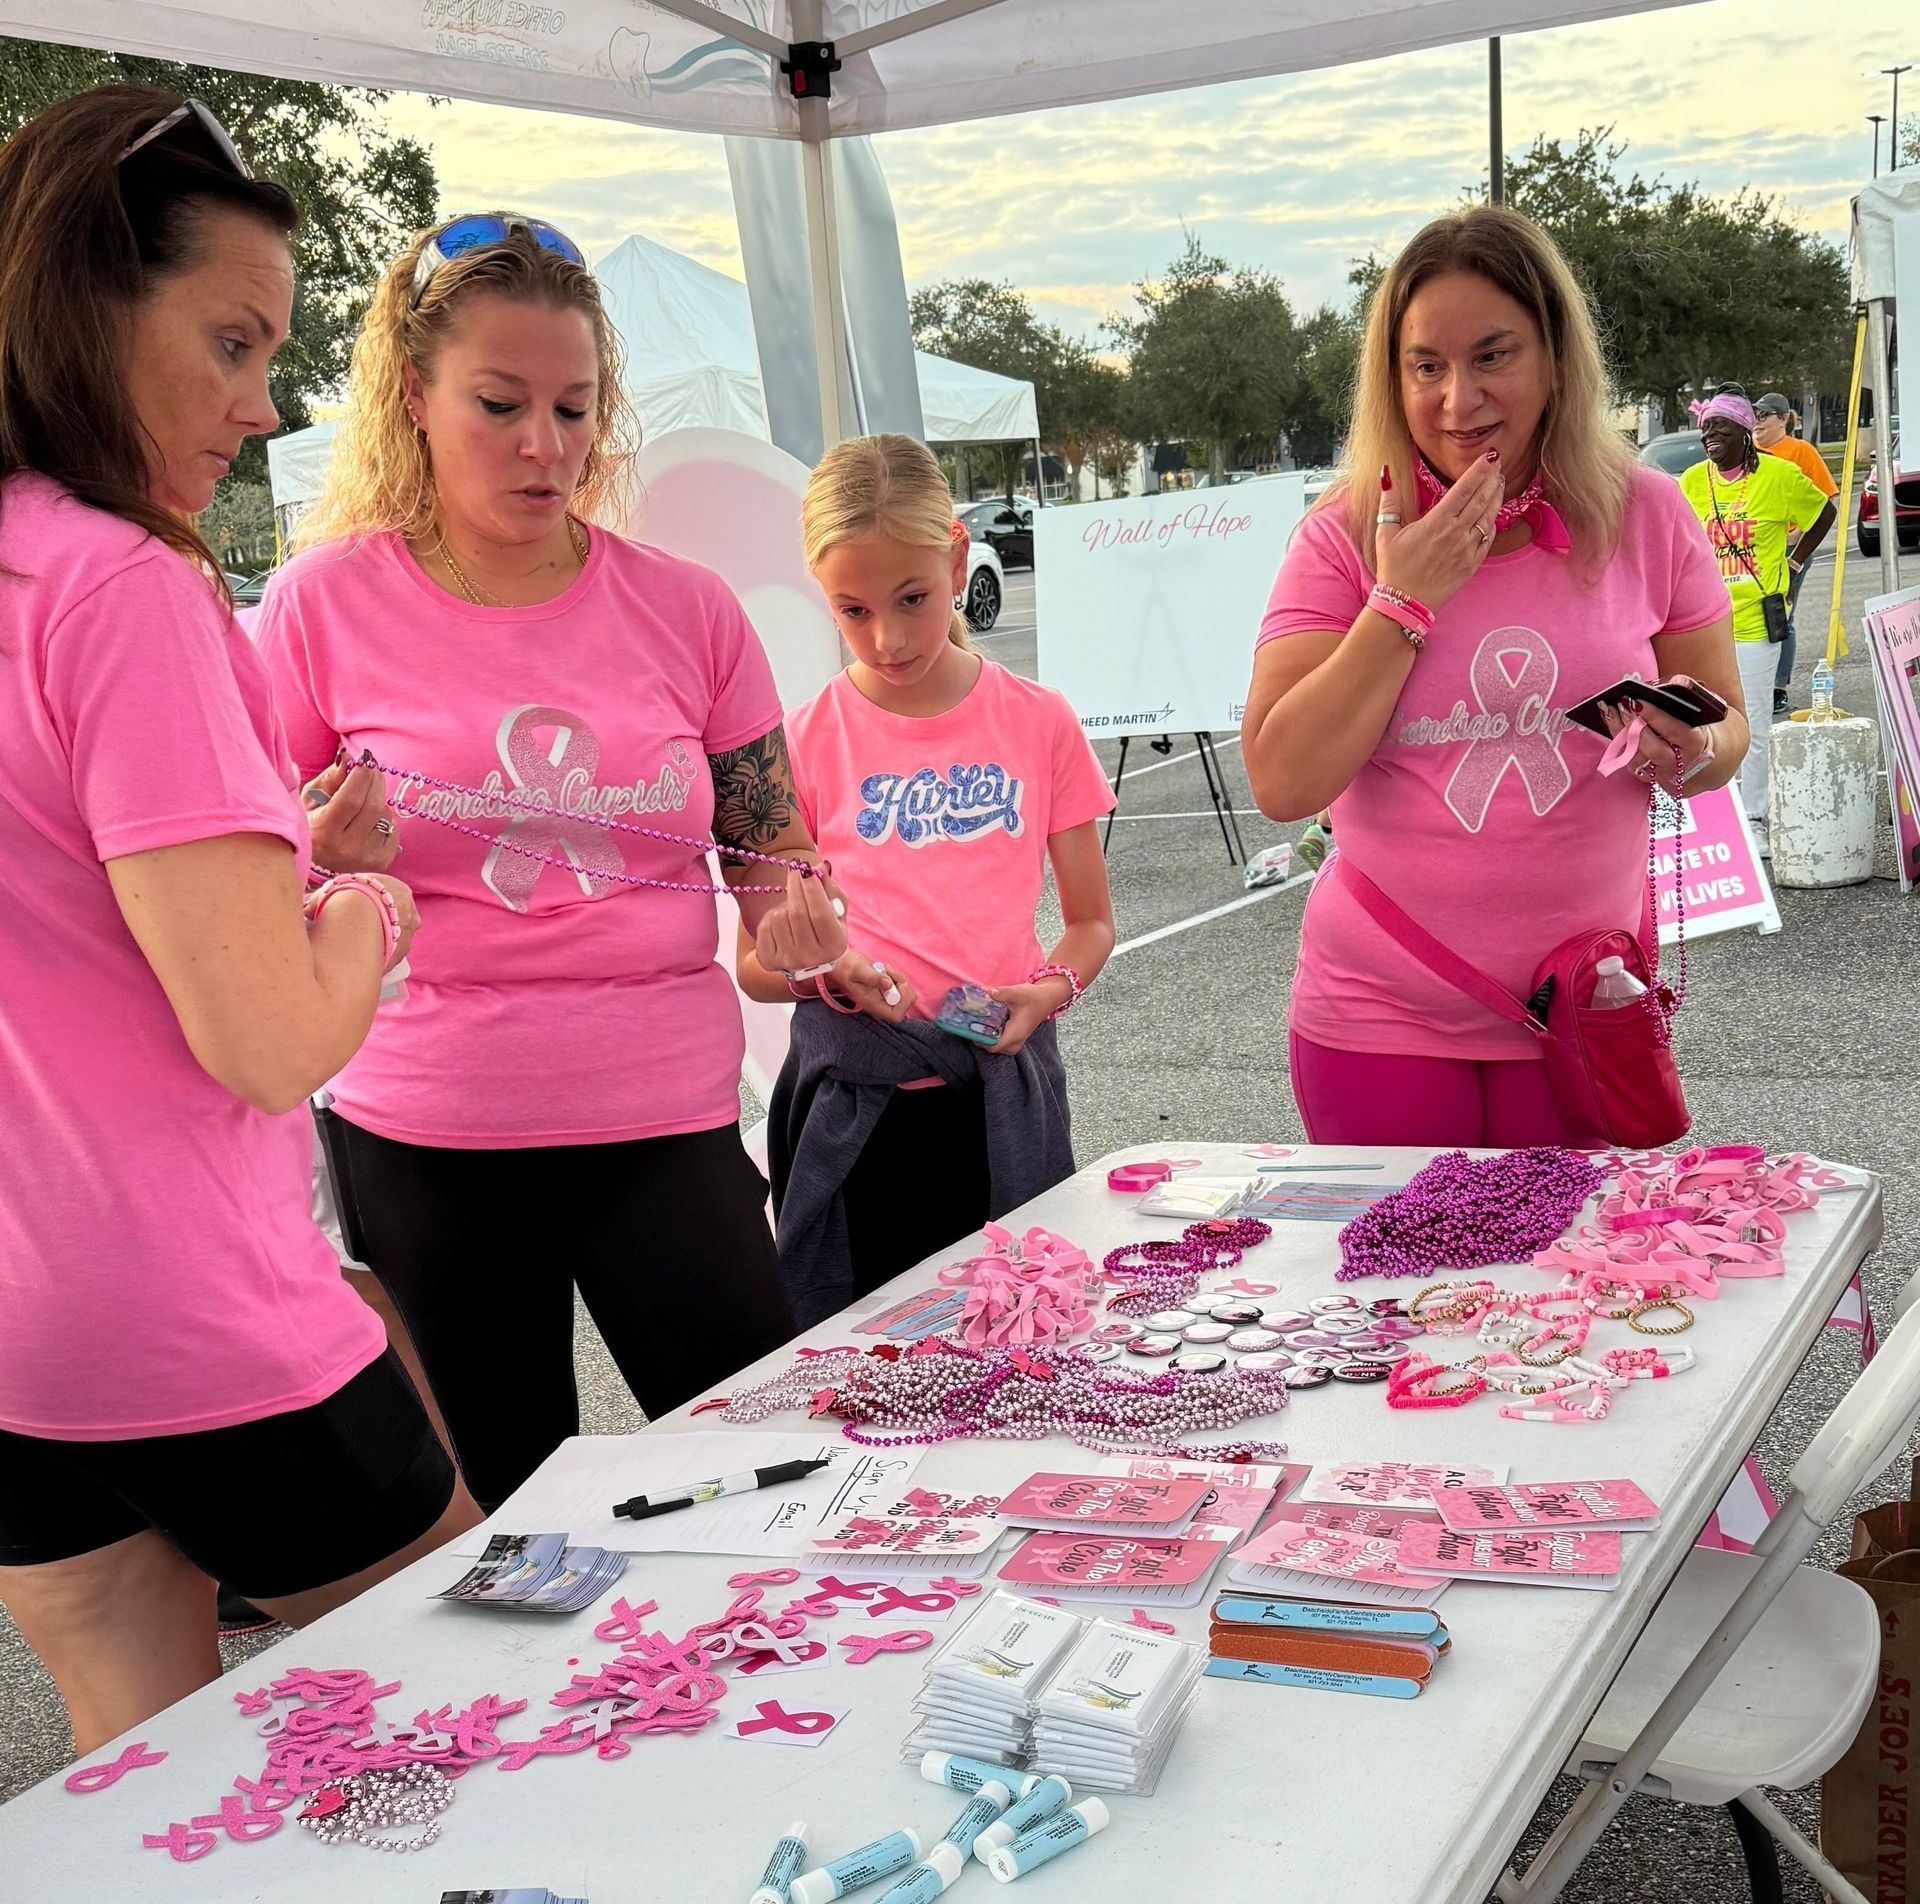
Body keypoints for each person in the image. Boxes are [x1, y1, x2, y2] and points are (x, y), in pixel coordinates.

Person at [0, 86, 479, 1755]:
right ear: (80, 304)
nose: (259, 404)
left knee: (143, 1792)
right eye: (228, 340)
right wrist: (359, 900)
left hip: (20, 1336)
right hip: (197, 1308)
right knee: (464, 1732)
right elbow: (270, 1036)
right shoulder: (119, 581)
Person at [256, 215, 845, 1511]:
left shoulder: (686, 607)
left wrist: (797, 919)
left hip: (662, 1116)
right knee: (506, 1525)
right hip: (427, 1128)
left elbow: (771, 847)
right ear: (412, 397)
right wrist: (315, 853)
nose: (547, 446)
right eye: (501, 404)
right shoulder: (320, 604)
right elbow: (242, 870)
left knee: (770, 1471)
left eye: (575, 408)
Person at [1242, 206, 1748, 1148]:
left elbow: (1726, 732)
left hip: (1581, 1005)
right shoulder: (1341, 535)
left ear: (1555, 358)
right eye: (1425, 365)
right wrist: (1404, 601)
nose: (1456, 400)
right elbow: (1282, 780)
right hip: (1378, 1012)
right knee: (1406, 1298)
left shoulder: (1647, 512)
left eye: (1493, 356)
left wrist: (1698, 745)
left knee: (1570, 1296)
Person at [745, 434, 1116, 1326]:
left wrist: (1044, 993)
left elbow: (1092, 922)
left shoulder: (1038, 719)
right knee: (866, 1359)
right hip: (854, 1113)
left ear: (956, 555)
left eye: (912, 598)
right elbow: (754, 965)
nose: (890, 636)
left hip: (999, 1097)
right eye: (853, 610)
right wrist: (827, 970)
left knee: (1022, 1341)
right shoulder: (800, 740)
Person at [1678, 389, 1836, 831]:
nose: (1710, 436)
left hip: (1755, 623)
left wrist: (1796, 560)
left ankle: (1754, 813)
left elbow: (1824, 512)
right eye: (1706, 428)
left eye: (1720, 428)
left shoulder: (1780, 476)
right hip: (1704, 623)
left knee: (1752, 721)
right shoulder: (1692, 480)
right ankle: (1716, 815)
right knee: (1703, 722)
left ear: (1745, 433)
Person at [1753, 392, 1839, 717]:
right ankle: (1754, 682)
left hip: (1790, 546)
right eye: (1754, 414)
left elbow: (1824, 501)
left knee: (1781, 614)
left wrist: (1797, 538)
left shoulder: (1800, 451)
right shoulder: (1749, 452)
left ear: (1783, 418)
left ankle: (1778, 687)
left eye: (1764, 415)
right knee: (1752, 616)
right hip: (1757, 545)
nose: (1758, 421)